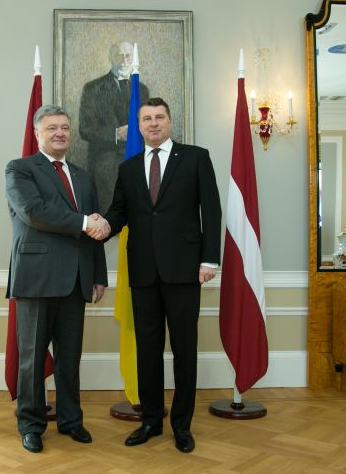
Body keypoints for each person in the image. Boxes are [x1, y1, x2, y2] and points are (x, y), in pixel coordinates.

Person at [95, 97, 222, 453]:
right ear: (138, 126)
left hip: (185, 270)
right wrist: (102, 225)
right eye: (147, 118)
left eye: (159, 117)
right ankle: (151, 420)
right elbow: (119, 212)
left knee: (184, 350)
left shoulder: (196, 158)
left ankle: (182, 425)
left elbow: (211, 210)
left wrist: (210, 260)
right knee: (147, 351)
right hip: (143, 273)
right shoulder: (129, 168)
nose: (153, 123)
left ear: (169, 122)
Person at [5, 105, 109, 453]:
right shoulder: (20, 169)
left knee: (70, 357)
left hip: (77, 279)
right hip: (36, 278)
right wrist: (85, 222)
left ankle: (71, 420)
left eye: (64, 127)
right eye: (51, 128)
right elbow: (34, 212)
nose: (60, 133)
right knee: (32, 359)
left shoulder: (83, 176)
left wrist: (98, 275)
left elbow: (94, 230)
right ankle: (31, 425)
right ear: (38, 133)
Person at [79, 41, 150, 213]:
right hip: (106, 163)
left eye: (128, 56)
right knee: (112, 214)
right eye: (119, 55)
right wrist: (116, 134)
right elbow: (85, 129)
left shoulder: (142, 89)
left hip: (138, 160)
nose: (124, 60)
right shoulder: (93, 88)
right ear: (111, 58)